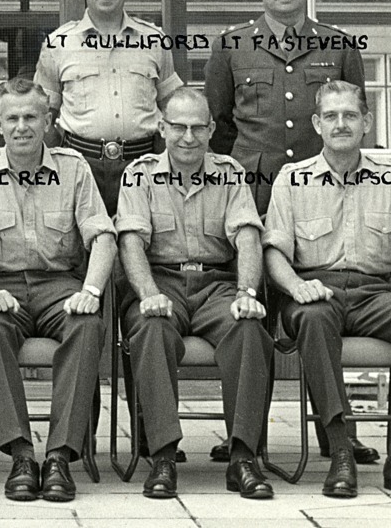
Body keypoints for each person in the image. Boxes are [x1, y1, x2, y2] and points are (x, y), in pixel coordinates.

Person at [204, 0, 371, 464]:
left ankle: (334, 434)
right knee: (250, 312)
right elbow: (218, 125)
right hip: (253, 199)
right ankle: (242, 438)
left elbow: (349, 123)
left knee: (321, 310)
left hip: (318, 199)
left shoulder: (338, 46)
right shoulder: (231, 46)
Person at [264, 80, 391, 499]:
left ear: (366, 121)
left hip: (374, 294)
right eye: (331, 116)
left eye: (350, 115)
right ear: (317, 124)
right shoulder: (292, 180)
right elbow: (274, 251)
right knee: (312, 318)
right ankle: (340, 449)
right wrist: (296, 286)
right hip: (315, 291)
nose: (341, 124)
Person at [0, 77, 115, 502]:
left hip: (58, 285)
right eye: (13, 118)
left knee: (88, 323)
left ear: (48, 121)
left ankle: (59, 456)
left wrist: (91, 290)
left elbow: (103, 237)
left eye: (31, 117)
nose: (22, 126)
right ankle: (22, 454)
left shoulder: (74, 168)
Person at [115, 87, 273, 500]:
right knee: (152, 329)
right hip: (160, 281)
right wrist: (147, 293)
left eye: (197, 128)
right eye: (179, 127)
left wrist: (246, 292)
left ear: (211, 130)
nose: (188, 137)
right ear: (162, 128)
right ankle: (163, 456)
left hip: (216, 285)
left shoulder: (230, 171)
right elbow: (130, 241)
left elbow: (248, 238)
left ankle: (242, 457)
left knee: (250, 328)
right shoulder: (140, 173)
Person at [34, 0, 182, 215]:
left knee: (141, 247)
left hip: (143, 166)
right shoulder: (58, 43)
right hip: (80, 168)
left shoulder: (154, 40)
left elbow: (173, 109)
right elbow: (43, 114)